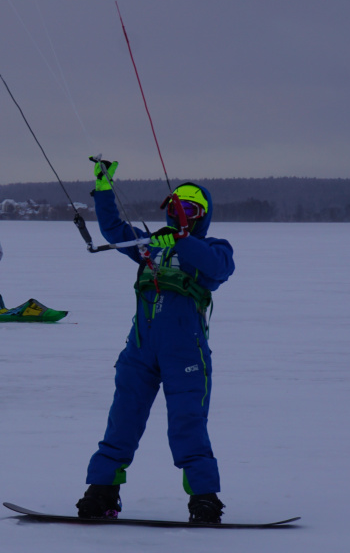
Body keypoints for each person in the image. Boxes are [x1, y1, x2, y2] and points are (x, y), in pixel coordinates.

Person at [77, 157, 235, 524]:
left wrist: (182, 240)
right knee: (122, 422)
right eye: (175, 210)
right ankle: (102, 492)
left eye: (188, 211)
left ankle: (204, 499)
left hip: (186, 354)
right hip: (139, 352)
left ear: (202, 216)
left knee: (187, 424)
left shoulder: (214, 247)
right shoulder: (151, 246)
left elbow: (219, 268)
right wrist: (103, 188)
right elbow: (114, 230)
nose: (180, 217)